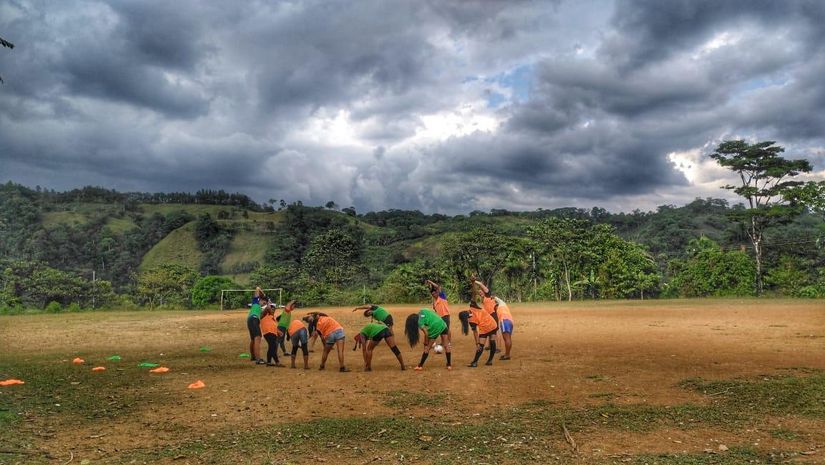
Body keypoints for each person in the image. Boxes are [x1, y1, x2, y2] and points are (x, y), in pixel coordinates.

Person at [458, 300, 498, 367]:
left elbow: (475, 332)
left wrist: (477, 344)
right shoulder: (473, 306)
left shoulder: (471, 321)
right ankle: (490, 361)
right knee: (492, 341)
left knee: (481, 345)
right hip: (493, 323)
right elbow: (473, 299)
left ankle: (475, 362)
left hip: (485, 328)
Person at [259, 300, 284, 367]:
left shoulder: (273, 318)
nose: (273, 310)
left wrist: (279, 332)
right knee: (273, 346)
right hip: (268, 332)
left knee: (271, 347)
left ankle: (269, 362)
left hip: (273, 333)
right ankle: (277, 362)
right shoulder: (264, 314)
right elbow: (267, 308)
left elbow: (274, 326)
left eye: (274, 309)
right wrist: (268, 303)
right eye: (272, 309)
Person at [247, 287, 265, 364]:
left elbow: (261, 317)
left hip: (251, 320)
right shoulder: (255, 302)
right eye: (263, 302)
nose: (263, 304)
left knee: (253, 339)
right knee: (258, 338)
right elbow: (257, 288)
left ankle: (253, 356)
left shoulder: (259, 308)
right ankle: (258, 359)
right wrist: (263, 293)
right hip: (254, 319)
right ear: (260, 300)